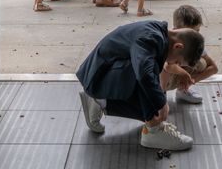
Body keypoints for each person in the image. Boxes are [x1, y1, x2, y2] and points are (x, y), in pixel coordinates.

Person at [76, 20, 204, 151]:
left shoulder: (159, 34)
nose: (174, 63)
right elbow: (144, 73)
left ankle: (101, 101)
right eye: (177, 61)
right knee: (149, 77)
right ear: (178, 47)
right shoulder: (150, 38)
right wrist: (161, 103)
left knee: (150, 105)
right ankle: (154, 132)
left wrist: (157, 105)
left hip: (103, 75)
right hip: (98, 79)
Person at [162, 5, 219, 104]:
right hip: (159, 81)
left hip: (178, 80)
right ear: (176, 29)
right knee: (166, 66)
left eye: (198, 31)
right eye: (192, 32)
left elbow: (213, 68)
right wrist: (184, 74)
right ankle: (160, 96)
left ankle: (183, 90)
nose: (196, 36)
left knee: (201, 63)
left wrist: (191, 80)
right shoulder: (168, 40)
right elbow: (168, 67)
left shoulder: (194, 42)